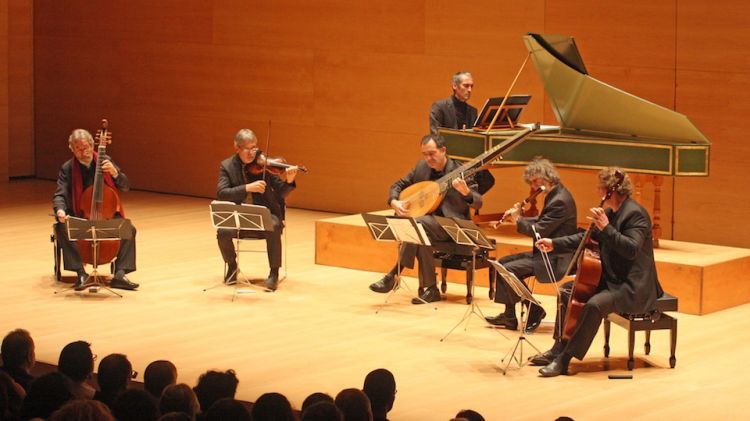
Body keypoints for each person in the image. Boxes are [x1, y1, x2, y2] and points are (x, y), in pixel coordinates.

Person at [532, 167, 663, 377]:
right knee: (567, 292)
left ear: (610, 192)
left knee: (594, 305)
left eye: (600, 188)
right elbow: (585, 238)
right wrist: (554, 243)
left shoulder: (636, 214)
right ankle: (559, 347)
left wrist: (606, 227)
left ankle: (565, 359)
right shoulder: (612, 212)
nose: (597, 191)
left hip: (631, 286)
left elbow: (631, 249)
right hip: (612, 279)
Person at [369, 134, 483, 304]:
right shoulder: (422, 167)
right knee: (421, 232)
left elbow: (478, 202)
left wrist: (466, 193)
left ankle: (393, 274)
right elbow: (398, 185)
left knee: (417, 223)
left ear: (443, 150)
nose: (428, 158)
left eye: (432, 153)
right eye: (424, 154)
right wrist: (394, 201)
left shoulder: (461, 171)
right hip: (428, 225)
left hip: (452, 227)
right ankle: (431, 289)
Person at [485, 158, 577, 332]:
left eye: (536, 181)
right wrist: (521, 216)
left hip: (555, 258)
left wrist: (518, 219)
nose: (534, 186)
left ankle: (534, 309)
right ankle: (510, 316)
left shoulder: (560, 200)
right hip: (545, 253)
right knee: (502, 264)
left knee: (509, 269)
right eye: (532, 182)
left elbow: (540, 230)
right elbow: (544, 221)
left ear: (547, 176)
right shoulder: (555, 194)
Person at [52, 128, 139, 291]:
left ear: (92, 146)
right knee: (61, 227)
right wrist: (60, 211)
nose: (83, 151)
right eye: (78, 148)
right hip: (81, 216)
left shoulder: (105, 161)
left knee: (129, 228)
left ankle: (120, 274)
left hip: (106, 216)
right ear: (71, 148)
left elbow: (125, 186)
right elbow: (60, 194)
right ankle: (80, 273)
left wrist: (115, 174)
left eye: (85, 147)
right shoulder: (68, 168)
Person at [216, 128, 297, 291]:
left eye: (254, 147)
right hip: (239, 215)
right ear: (237, 148)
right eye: (247, 148)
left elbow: (281, 193)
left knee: (274, 226)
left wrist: (289, 181)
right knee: (223, 231)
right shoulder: (227, 166)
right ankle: (232, 266)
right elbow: (222, 193)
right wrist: (246, 188)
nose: (252, 153)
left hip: (266, 214)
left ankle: (274, 273)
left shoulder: (263, 164)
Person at [429, 71, 495, 195]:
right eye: (466, 86)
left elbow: (475, 139)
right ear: (455, 86)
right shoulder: (439, 107)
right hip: (447, 159)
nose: (469, 90)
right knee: (468, 178)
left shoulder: (472, 111)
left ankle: (467, 202)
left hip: (467, 160)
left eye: (471, 86)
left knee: (487, 179)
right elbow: (435, 138)